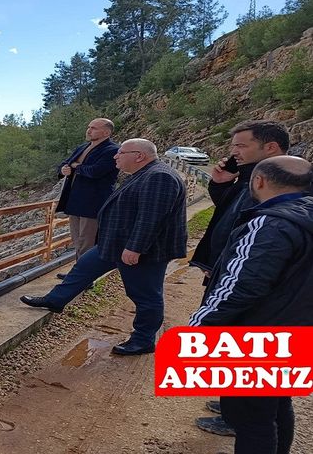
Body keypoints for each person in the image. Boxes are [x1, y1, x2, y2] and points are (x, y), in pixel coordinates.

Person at [189, 155, 313, 454]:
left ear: (259, 181)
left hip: (260, 334)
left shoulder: (270, 222)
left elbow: (240, 284)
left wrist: (199, 327)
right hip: (297, 327)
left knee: (250, 420)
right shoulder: (305, 215)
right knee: (276, 403)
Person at [21, 139, 187, 355]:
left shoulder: (159, 177)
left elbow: (151, 218)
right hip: (116, 243)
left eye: (121, 153)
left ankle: (143, 340)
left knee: (145, 295)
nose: (116, 156)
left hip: (141, 250)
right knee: (84, 267)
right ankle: (55, 300)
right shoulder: (146, 173)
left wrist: (135, 248)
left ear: (139, 156)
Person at [188, 120, 289, 436]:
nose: (233, 151)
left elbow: (260, 244)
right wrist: (220, 185)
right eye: (233, 146)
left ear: (269, 147)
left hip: (256, 291)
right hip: (235, 273)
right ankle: (234, 403)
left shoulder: (282, 183)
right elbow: (233, 215)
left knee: (253, 358)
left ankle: (239, 416)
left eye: (241, 146)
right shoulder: (253, 178)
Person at [56, 118, 119, 268]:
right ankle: (78, 273)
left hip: (93, 203)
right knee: (77, 240)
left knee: (87, 242)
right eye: (89, 127)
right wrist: (63, 169)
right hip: (75, 201)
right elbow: (66, 163)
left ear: (106, 132)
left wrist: (76, 166)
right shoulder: (83, 147)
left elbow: (95, 171)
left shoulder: (113, 150)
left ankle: (84, 277)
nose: (89, 130)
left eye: (94, 128)